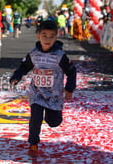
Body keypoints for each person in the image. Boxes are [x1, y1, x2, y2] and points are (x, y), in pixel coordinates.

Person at [9, 20, 76, 158]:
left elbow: (71, 71)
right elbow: (24, 67)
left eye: (51, 36)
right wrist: (16, 77)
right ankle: (33, 144)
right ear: (38, 36)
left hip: (54, 95)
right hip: (37, 93)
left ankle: (52, 115)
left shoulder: (60, 55)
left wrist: (69, 88)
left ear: (56, 37)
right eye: (44, 35)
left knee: (54, 122)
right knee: (35, 118)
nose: (47, 39)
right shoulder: (33, 54)